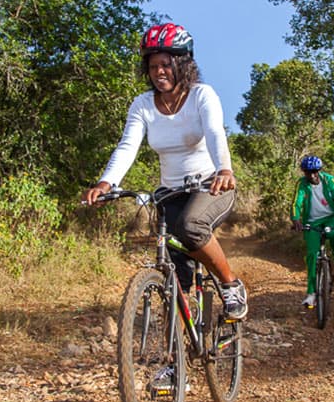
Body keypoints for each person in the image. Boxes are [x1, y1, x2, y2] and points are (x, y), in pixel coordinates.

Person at [83, 22, 248, 321]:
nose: (159, 72)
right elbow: (127, 146)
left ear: (183, 65)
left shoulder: (202, 95)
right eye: (152, 66)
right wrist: (107, 182)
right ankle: (175, 364)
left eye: (166, 65)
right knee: (177, 287)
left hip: (211, 187)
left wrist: (225, 169)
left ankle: (229, 283)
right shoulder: (143, 105)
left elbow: (214, 133)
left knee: (191, 226)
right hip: (169, 194)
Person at [290, 154, 334, 307]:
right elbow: (296, 202)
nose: (312, 175)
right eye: (308, 172)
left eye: (315, 171)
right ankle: (311, 294)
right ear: (304, 173)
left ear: (319, 171)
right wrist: (296, 219)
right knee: (312, 255)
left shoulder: (329, 180)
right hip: (312, 222)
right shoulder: (302, 184)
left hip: (331, 217)